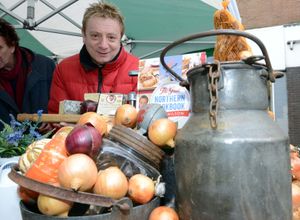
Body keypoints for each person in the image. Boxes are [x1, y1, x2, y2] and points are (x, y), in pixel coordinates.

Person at [47, 2, 139, 114]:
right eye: (95, 36)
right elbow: (56, 118)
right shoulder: (64, 69)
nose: (103, 45)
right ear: (84, 36)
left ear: (120, 38)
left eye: (111, 37)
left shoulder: (140, 70)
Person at [0, 18, 56, 130]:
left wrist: (52, 121)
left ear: (12, 46)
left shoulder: (45, 66)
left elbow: (59, 104)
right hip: (6, 146)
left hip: (43, 143)